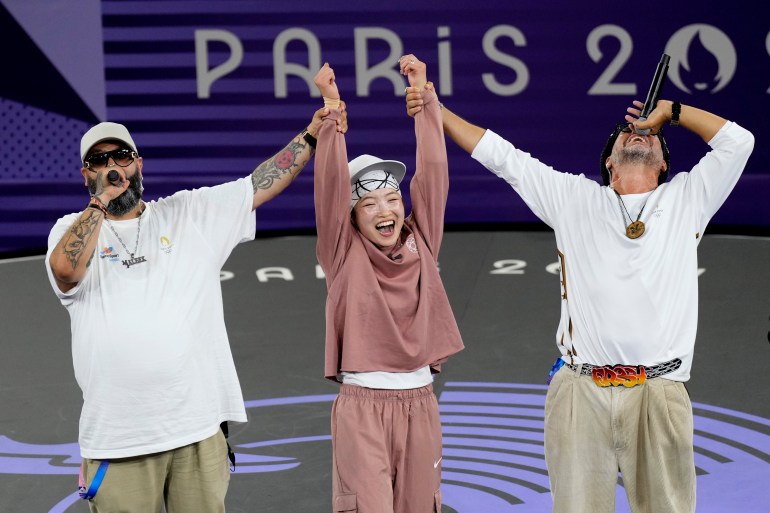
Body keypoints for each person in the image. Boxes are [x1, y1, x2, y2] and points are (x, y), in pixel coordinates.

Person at [406, 92, 754, 513]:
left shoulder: (687, 198)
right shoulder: (574, 198)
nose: (636, 132)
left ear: (665, 164)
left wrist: (674, 113)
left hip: (659, 393)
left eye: (649, 133)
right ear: (609, 162)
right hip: (580, 391)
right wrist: (435, 110)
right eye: (626, 132)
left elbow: (739, 142)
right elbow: (502, 156)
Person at [45, 108, 346, 512]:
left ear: (138, 163)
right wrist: (100, 203)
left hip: (197, 432)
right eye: (99, 161)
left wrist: (312, 133)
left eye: (121, 155)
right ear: (86, 175)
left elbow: (260, 183)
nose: (112, 166)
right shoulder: (70, 229)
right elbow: (65, 271)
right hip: (119, 439)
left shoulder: (188, 214)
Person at [312, 57, 464, 513]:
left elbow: (434, 172)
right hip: (362, 407)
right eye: (370, 202)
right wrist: (333, 112)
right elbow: (330, 185)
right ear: (353, 216)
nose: (386, 210)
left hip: (420, 403)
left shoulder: (422, 241)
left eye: (393, 198)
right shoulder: (341, 253)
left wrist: (426, 103)